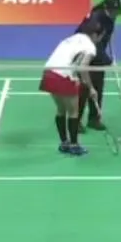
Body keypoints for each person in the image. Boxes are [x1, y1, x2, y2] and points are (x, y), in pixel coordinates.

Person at [39, 20, 104, 156]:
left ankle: (64, 143)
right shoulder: (90, 47)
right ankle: (74, 145)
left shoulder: (73, 38)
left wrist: (79, 80)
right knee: (73, 112)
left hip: (49, 73)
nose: (100, 40)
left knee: (61, 110)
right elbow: (82, 67)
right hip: (63, 76)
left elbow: (74, 63)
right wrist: (91, 88)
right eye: (100, 36)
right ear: (95, 35)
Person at [76, 0, 121, 132]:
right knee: (84, 88)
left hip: (97, 51)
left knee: (98, 86)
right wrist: (108, 61)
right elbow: (92, 44)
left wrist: (105, 56)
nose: (116, 14)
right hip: (84, 50)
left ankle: (94, 119)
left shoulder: (110, 17)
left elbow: (105, 38)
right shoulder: (95, 19)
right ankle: (76, 121)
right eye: (114, 11)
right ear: (106, 8)